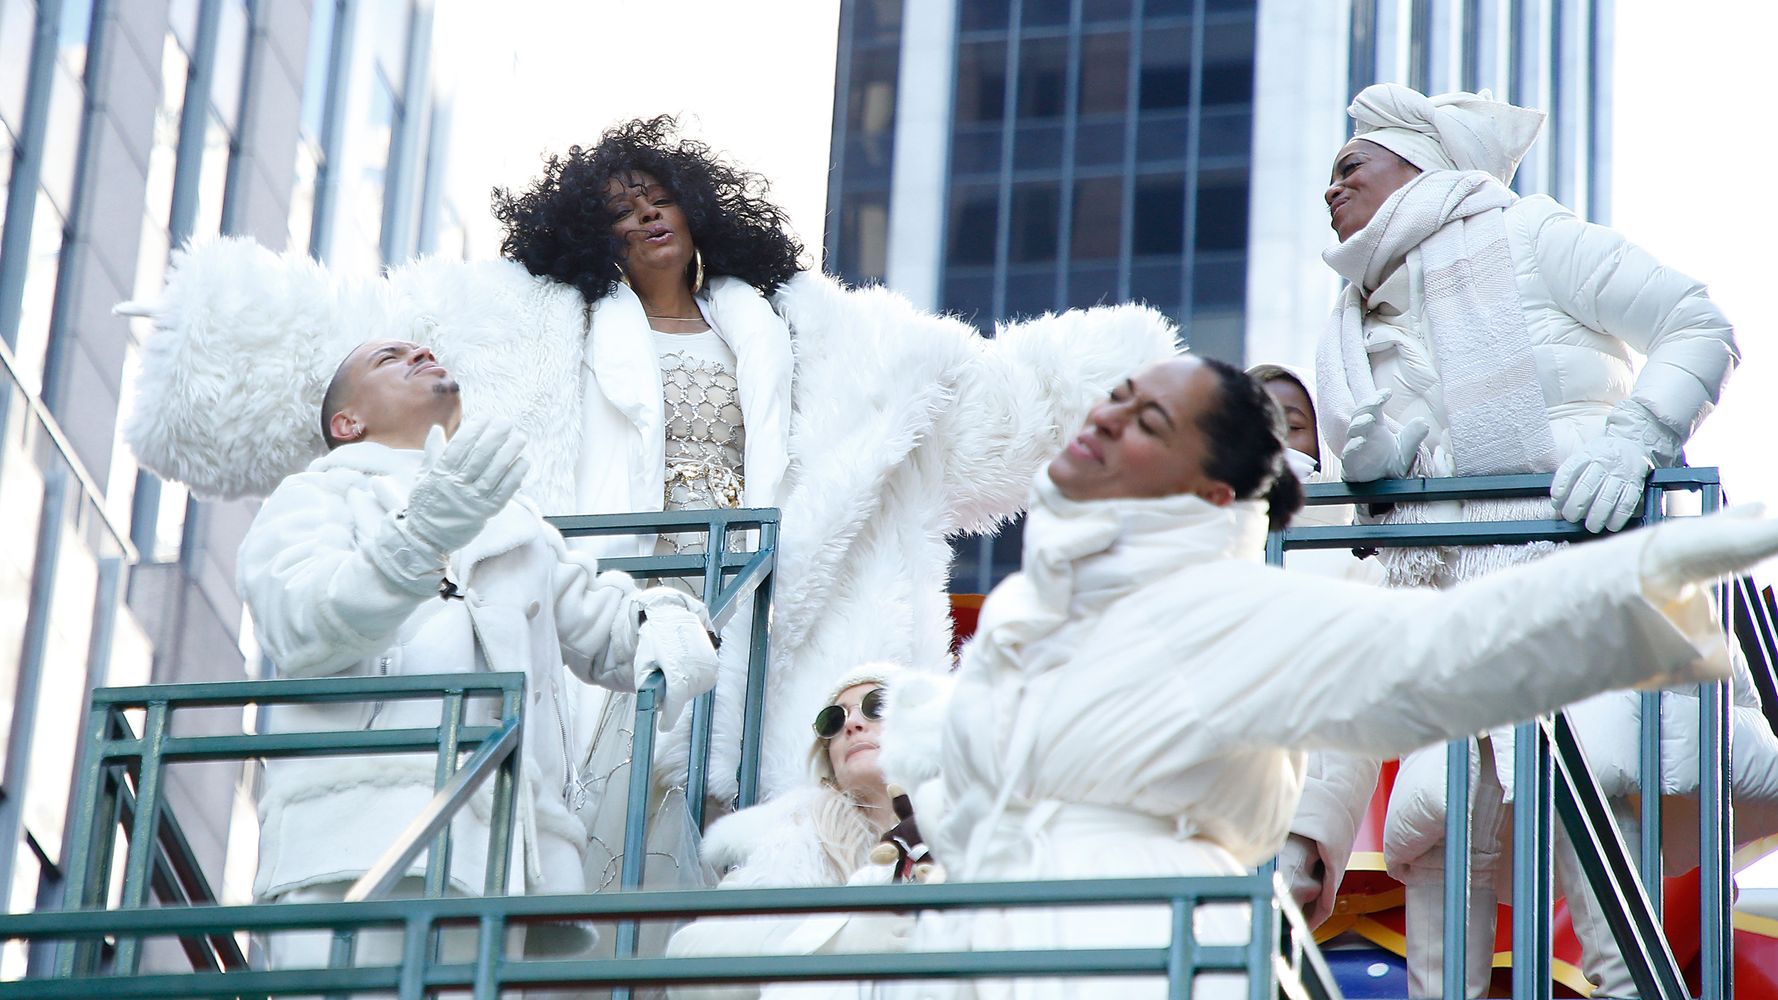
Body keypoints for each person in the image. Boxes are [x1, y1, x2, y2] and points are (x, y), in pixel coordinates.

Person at [121, 115, 1178, 826]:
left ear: (702, 207)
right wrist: (213, 334)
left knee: (757, 839)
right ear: (588, 238)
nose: (642, 217)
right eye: (617, 211)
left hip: (770, 617)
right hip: (608, 612)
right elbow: (361, 362)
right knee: (597, 839)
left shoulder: (819, 332)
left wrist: (1131, 387)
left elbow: (963, 392)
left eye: (657, 196)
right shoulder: (522, 328)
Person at [876, 355, 1778, 1000]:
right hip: (990, 945)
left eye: (1149, 421)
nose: (1108, 417)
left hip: (1134, 952)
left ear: (1214, 495)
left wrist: (1679, 557)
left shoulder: (1225, 605)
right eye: (1116, 396)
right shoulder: (1024, 612)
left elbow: (1455, 644)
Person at [1313, 83, 1778, 996]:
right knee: (1445, 870)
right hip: (1447, 628)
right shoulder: (1355, 324)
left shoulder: (1531, 236)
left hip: (1569, 605)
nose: (1331, 192)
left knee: (1604, 887)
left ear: (1418, 160)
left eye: (1349, 166)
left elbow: (1697, 323)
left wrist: (1636, 436)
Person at [239, 339, 720, 974]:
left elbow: (603, 625)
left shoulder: (511, 520)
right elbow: (301, 624)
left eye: (424, 349)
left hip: (502, 853)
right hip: (361, 836)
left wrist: (668, 621)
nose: (420, 354)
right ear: (347, 423)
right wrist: (421, 535)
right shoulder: (314, 496)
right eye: (389, 358)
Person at [666, 663, 926, 999]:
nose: (851, 724)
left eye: (876, 706)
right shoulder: (788, 837)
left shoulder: (970, 830)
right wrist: (832, 943)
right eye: (834, 720)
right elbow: (690, 962)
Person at [1246, 363, 1382, 929]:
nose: (1277, 436)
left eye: (1294, 425)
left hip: (1300, 801)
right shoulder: (1187, 540)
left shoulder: (1358, 555)